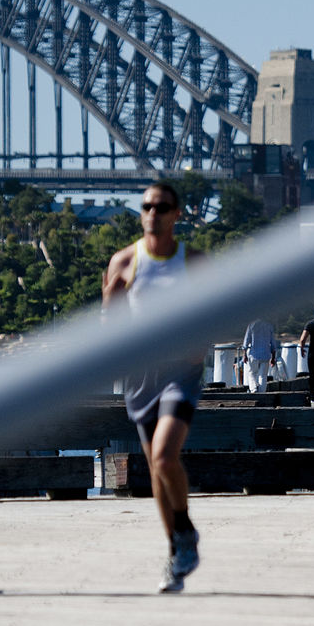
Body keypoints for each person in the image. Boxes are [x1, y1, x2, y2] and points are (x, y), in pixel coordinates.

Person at [103, 181, 206, 594]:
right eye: (146, 206)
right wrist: (110, 302)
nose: (152, 213)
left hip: (181, 372)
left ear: (177, 214)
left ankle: (185, 531)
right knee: (155, 471)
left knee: (164, 457)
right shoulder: (124, 261)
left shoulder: (193, 261)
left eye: (161, 207)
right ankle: (176, 554)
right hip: (140, 377)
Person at [241, 317, 278, 393]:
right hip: (265, 354)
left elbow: (246, 342)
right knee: (263, 375)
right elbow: (273, 344)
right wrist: (273, 357)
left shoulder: (251, 325)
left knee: (252, 373)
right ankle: (262, 392)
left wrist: (244, 355)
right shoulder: (269, 326)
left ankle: (253, 389)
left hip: (254, 354)